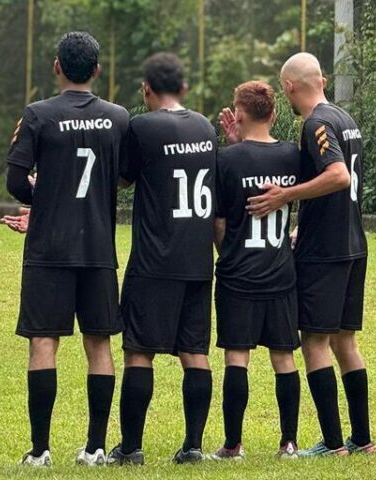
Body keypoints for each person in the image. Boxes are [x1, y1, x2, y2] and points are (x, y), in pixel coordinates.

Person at [5, 31, 129, 467]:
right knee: (99, 344)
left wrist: (45, 194)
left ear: (57, 65)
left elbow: (15, 181)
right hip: (97, 248)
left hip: (49, 250)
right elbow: (127, 174)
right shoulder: (118, 117)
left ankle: (40, 451)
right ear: (97, 70)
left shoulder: (37, 114)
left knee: (44, 342)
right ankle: (95, 448)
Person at [247, 52, 376, 456]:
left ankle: (334, 444)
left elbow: (337, 176)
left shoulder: (316, 123)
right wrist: (308, 217)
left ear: (288, 86)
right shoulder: (344, 119)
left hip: (326, 253)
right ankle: (362, 438)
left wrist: (287, 195)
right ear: (320, 78)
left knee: (315, 342)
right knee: (345, 342)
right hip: (353, 244)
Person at [108, 52, 217, 466]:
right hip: (197, 258)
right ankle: (192, 446)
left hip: (155, 259)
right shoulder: (206, 127)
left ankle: (131, 448)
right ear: (185, 89)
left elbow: (122, 177)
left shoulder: (142, 127)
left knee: (139, 350)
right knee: (195, 351)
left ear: (146, 90)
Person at [210, 81, 303, 460]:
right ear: (275, 114)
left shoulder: (225, 160)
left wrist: (226, 252)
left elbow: (217, 222)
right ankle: (289, 443)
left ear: (240, 114)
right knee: (284, 357)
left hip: (238, 274)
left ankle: (233, 444)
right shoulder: (293, 157)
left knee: (237, 356)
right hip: (280, 272)